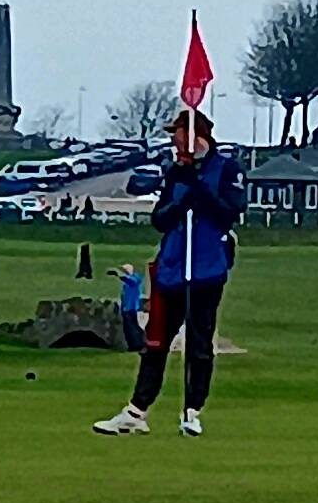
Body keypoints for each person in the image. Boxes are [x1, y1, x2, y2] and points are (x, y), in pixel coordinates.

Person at [94, 107, 245, 438]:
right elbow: (160, 219)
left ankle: (192, 411)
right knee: (157, 341)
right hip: (172, 268)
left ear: (195, 137)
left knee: (199, 342)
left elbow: (230, 212)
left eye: (178, 136)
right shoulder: (176, 171)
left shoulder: (226, 168)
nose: (175, 144)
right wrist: (181, 200)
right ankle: (137, 411)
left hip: (207, 268)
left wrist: (200, 190)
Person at [112, 261, 147, 353]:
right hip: (127, 307)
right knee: (129, 328)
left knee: (132, 327)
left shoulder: (135, 279)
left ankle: (138, 344)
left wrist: (119, 275)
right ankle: (133, 344)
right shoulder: (128, 282)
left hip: (131, 307)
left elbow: (130, 280)